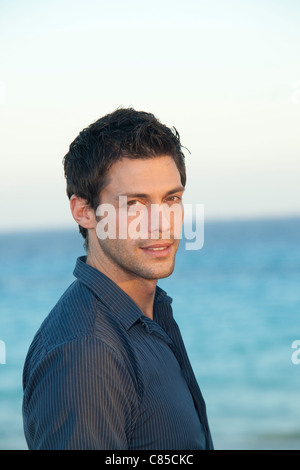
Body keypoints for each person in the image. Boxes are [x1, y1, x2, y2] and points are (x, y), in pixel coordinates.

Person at [22, 108, 214, 450]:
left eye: (172, 199)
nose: (162, 223)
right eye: (135, 204)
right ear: (84, 211)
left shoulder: (151, 313)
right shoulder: (85, 353)